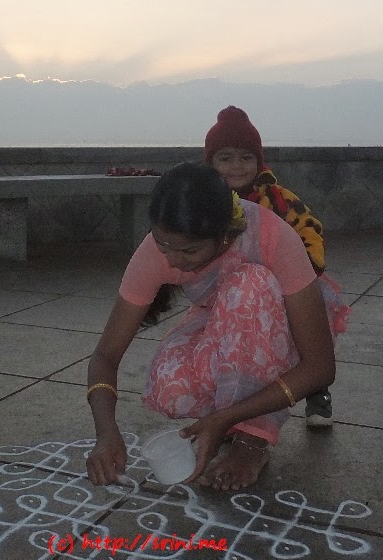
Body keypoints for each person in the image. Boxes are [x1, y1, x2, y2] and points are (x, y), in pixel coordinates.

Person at [85, 162, 348, 492]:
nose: (172, 260)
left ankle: (251, 438)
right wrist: (106, 433)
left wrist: (225, 418)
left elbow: (320, 368)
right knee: (170, 388)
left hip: (285, 325)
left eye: (189, 250)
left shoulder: (272, 236)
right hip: (225, 318)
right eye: (163, 244)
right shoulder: (155, 250)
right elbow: (105, 356)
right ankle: (229, 418)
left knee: (249, 288)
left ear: (225, 236)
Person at [204, 105, 339, 427]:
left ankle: (316, 388)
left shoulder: (279, 199)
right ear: (211, 163)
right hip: (232, 292)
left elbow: (310, 230)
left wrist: (303, 273)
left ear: (259, 161)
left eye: (246, 157)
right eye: (226, 158)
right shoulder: (205, 202)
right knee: (232, 346)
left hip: (287, 286)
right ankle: (228, 403)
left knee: (307, 331)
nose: (237, 166)